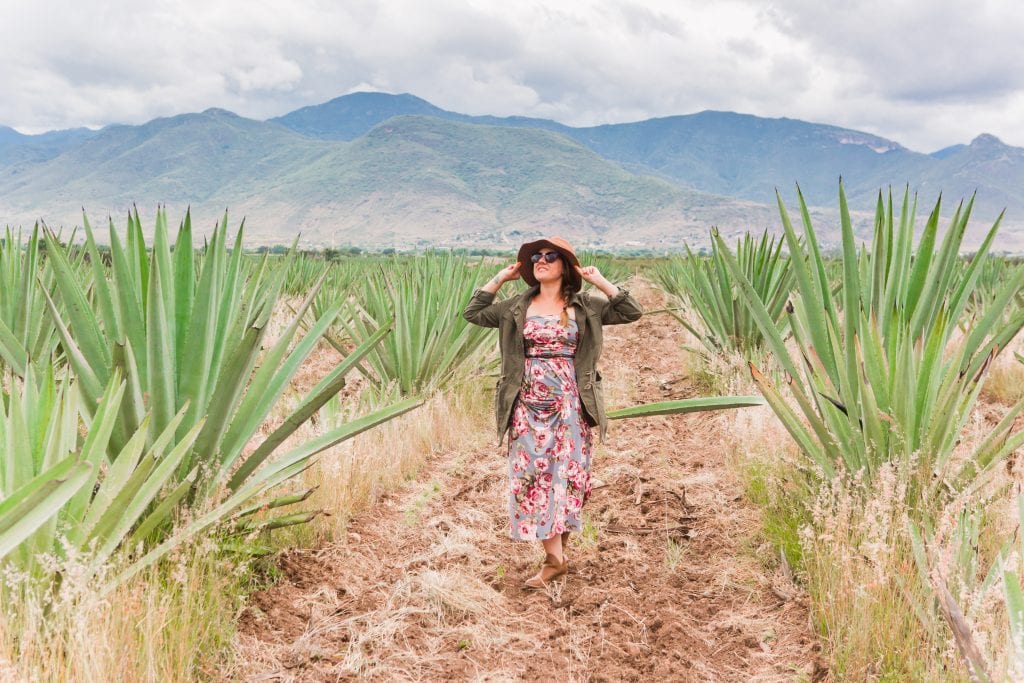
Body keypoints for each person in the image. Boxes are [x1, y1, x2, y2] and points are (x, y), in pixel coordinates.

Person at [463, 237, 643, 589]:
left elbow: (631, 310)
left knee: (566, 476)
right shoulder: (515, 306)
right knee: (531, 476)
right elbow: (472, 312)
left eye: (549, 256)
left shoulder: (585, 306)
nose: (540, 261)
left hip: (569, 406)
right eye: (535, 257)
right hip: (527, 405)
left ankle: (555, 558)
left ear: (565, 266)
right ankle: (556, 558)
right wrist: (500, 278)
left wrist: (599, 281)